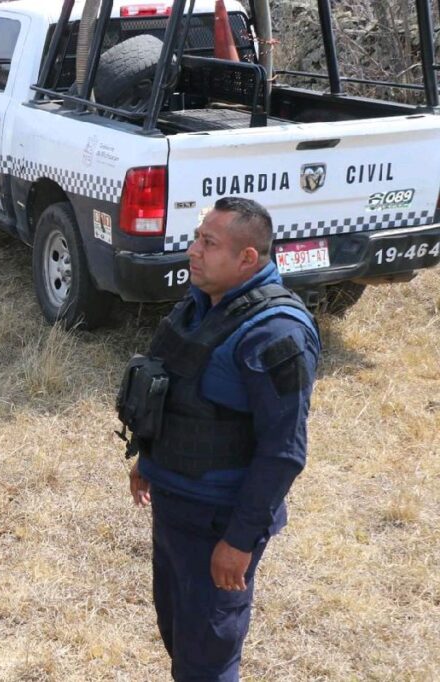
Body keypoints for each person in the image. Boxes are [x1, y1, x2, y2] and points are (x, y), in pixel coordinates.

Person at [117, 197, 320, 681]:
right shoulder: (203, 304)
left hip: (218, 523)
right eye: (197, 238)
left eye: (209, 243)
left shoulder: (275, 333)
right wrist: (148, 457)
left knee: (208, 656)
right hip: (174, 506)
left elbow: (284, 451)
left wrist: (239, 540)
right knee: (180, 637)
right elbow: (178, 391)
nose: (193, 251)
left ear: (247, 258)